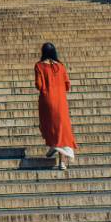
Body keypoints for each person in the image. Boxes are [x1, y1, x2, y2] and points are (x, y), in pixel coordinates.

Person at [35, 42, 77, 170]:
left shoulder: (39, 66)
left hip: (47, 100)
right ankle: (62, 162)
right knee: (62, 130)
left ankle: (54, 145)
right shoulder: (61, 66)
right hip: (61, 102)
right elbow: (67, 85)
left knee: (48, 125)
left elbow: (39, 85)